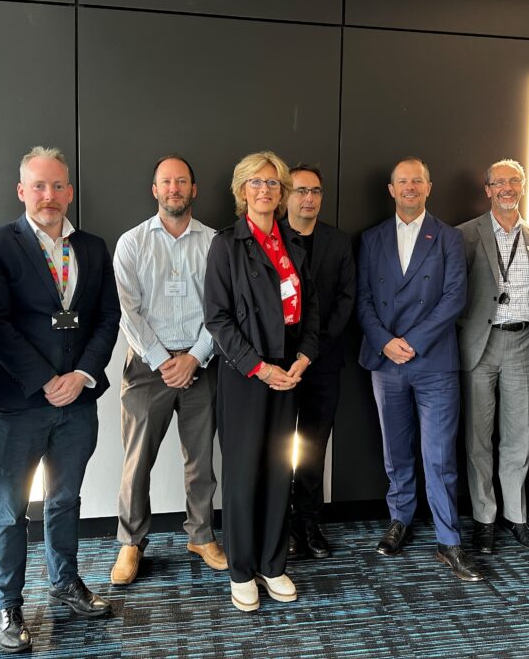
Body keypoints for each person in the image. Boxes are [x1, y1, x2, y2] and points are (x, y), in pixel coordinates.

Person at [0, 147, 120, 652]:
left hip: (78, 399)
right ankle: (8, 604)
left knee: (65, 499)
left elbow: (107, 319)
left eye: (57, 186)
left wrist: (80, 375)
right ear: (21, 191)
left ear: (70, 192)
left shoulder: (94, 248)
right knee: (10, 508)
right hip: (19, 401)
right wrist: (44, 380)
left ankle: (65, 581)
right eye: (38, 186)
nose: (48, 196)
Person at [204, 151, 319, 611]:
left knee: (278, 469)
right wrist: (259, 366)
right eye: (257, 182)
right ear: (242, 190)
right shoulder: (225, 244)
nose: (266, 190)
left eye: (274, 183)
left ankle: (273, 563)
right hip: (247, 375)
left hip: (289, 372)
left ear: (283, 192)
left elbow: (309, 311)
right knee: (243, 472)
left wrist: (304, 357)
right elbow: (218, 318)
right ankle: (241, 569)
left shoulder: (293, 242)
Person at [357, 157, 481, 582]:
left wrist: (413, 341)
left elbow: (454, 298)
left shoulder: (448, 238)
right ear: (391, 189)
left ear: (429, 187)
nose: (409, 187)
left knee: (440, 455)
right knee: (395, 450)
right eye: (402, 181)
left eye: (417, 181)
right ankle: (401, 519)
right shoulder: (371, 239)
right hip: (386, 360)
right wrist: (386, 342)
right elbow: (362, 301)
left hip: (434, 361)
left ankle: (449, 541)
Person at [111, 154, 226, 585]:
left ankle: (201, 535)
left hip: (202, 363)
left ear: (194, 190)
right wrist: (164, 361)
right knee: (137, 461)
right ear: (154, 190)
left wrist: (195, 356)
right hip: (146, 367)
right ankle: (130, 542)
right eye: (166, 182)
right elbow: (129, 312)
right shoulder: (132, 243)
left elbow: (221, 310)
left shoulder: (216, 243)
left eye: (182, 181)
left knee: (200, 459)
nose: (174, 188)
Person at [457, 158, 529, 554]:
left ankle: (517, 516)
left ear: (524, 187)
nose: (507, 188)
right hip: (481, 343)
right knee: (478, 439)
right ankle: (484, 518)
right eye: (499, 182)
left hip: (525, 343)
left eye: (514, 181)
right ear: (488, 189)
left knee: (519, 438)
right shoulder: (464, 235)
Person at [282, 163, 356, 559]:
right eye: (299, 191)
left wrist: (314, 350)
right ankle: (281, 525)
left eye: (315, 191)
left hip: (323, 363)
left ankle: (308, 523)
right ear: (285, 195)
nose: (308, 198)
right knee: (277, 446)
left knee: (312, 446)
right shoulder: (270, 238)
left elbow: (347, 299)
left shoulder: (338, 242)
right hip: (277, 366)